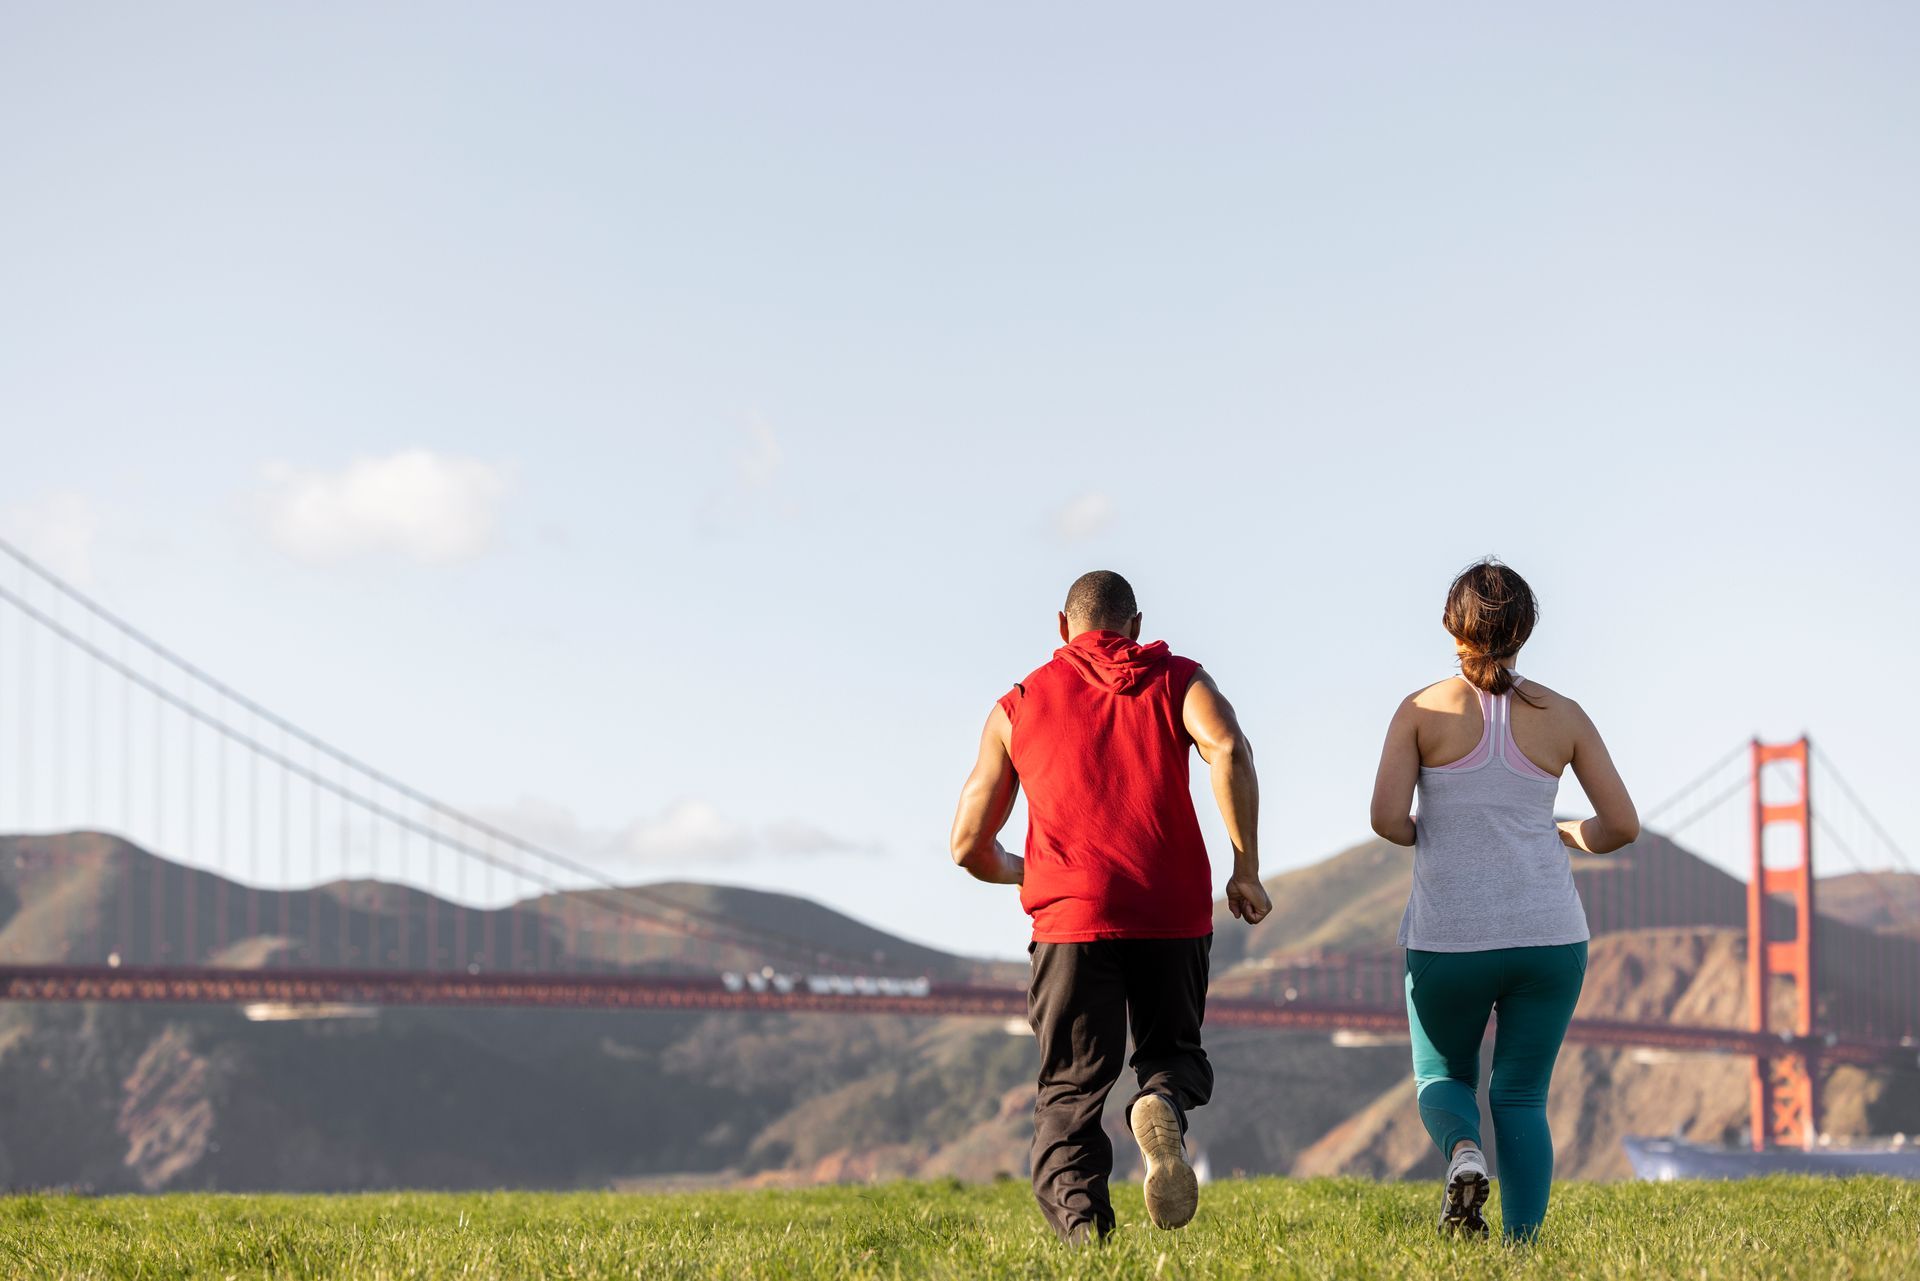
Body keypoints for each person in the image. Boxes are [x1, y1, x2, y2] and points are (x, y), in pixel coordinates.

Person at [948, 570, 1271, 1244]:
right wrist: (1245, 868)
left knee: (1069, 1091)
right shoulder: (1179, 677)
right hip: (1171, 908)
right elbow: (1229, 748)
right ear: (1136, 623)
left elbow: (967, 845)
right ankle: (1160, 1102)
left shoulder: (1017, 704)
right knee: (1172, 1054)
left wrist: (1027, 872)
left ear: (1063, 627)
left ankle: (1087, 1237)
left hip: (1071, 919)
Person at [1369, 557, 1639, 1242]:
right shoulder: (1565, 715)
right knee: (1520, 1095)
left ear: (1449, 626)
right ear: (1527, 629)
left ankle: (1464, 1151)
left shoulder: (1420, 710)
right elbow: (1621, 826)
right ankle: (1520, 1253)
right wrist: (1563, 832)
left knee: (1441, 1077)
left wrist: (1429, 829)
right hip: (1549, 936)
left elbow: (1386, 818)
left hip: (1448, 937)